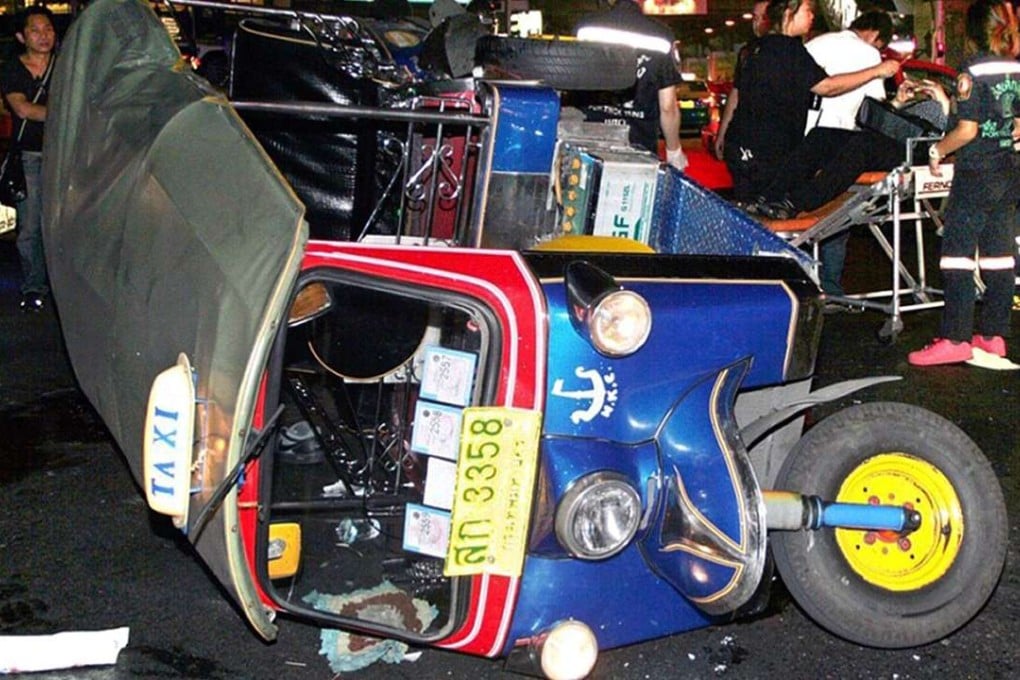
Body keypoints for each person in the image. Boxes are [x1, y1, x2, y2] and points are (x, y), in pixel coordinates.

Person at [908, 0, 1020, 366]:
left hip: (976, 172)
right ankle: (993, 335)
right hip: (1008, 170)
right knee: (999, 254)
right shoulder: (1015, 68)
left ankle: (955, 337)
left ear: (971, 30)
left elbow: (967, 130)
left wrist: (938, 151)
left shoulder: (972, 69)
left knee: (957, 254)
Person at [720, 0, 900, 202]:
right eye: (807, 11)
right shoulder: (788, 48)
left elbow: (738, 94)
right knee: (769, 208)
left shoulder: (753, 48)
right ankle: (792, 207)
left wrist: (723, 134)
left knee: (753, 209)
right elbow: (827, 87)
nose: (812, 16)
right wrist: (877, 71)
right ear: (789, 12)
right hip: (767, 150)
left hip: (742, 144)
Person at [575, 0, 687, 171]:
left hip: (591, 142)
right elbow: (668, 106)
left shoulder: (585, 28)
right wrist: (674, 151)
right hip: (639, 147)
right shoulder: (661, 36)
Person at [0, 5, 56, 313]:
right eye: (35, 30)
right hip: (30, 158)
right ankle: (35, 286)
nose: (44, 36)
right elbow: (22, 109)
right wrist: (64, 114)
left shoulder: (64, 66)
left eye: (48, 29)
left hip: (66, 156)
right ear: (22, 36)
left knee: (62, 224)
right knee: (30, 226)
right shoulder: (13, 69)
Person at [714, 0, 770, 163]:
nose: (757, 23)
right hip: (747, 136)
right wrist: (722, 133)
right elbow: (736, 93)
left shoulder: (791, 51)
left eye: (763, 17)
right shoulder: (748, 53)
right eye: (754, 17)